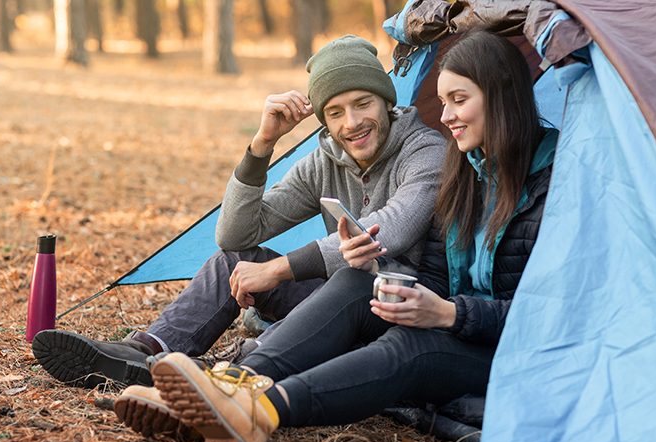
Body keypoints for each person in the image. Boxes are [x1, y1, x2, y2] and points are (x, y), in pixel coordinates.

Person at [115, 30, 560, 442]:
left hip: (506, 346)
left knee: (405, 346)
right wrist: (263, 144)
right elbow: (235, 234)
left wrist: (445, 311)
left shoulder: (542, 183)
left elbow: (553, 314)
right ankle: (224, 385)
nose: (445, 116)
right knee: (348, 283)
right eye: (443, 102)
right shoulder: (467, 173)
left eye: (458, 101)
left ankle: (256, 410)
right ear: (323, 121)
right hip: (437, 317)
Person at [32, 35, 446, 390]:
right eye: (335, 112)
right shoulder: (326, 161)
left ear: (386, 100)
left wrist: (279, 269)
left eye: (363, 104)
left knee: (352, 279)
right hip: (333, 301)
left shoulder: (425, 150)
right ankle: (144, 352)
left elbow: (387, 231)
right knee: (236, 260)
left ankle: (233, 375)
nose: (352, 123)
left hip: (397, 309)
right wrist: (263, 145)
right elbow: (234, 234)